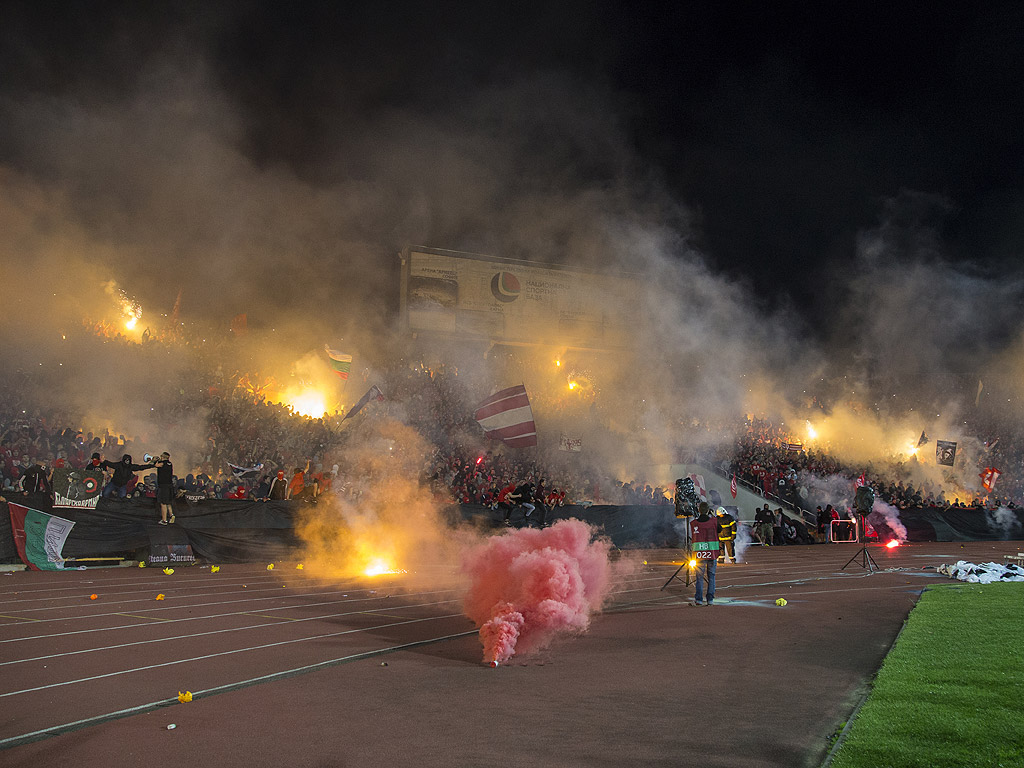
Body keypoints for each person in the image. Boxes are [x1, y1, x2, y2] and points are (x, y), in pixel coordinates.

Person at [690, 502, 720, 605]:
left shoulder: (694, 523)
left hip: (699, 554)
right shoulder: (714, 521)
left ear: (699, 510)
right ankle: (710, 599)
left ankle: (699, 599)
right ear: (708, 510)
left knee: (699, 577)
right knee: (711, 576)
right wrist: (713, 516)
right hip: (712, 553)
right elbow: (719, 529)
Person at [153, 452, 175, 525]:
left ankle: (164, 520)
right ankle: (171, 515)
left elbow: (155, 465)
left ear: (163, 457)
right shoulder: (170, 464)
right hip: (169, 485)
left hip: (163, 486)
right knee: (168, 501)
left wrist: (155, 460)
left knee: (163, 503)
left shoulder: (162, 463)